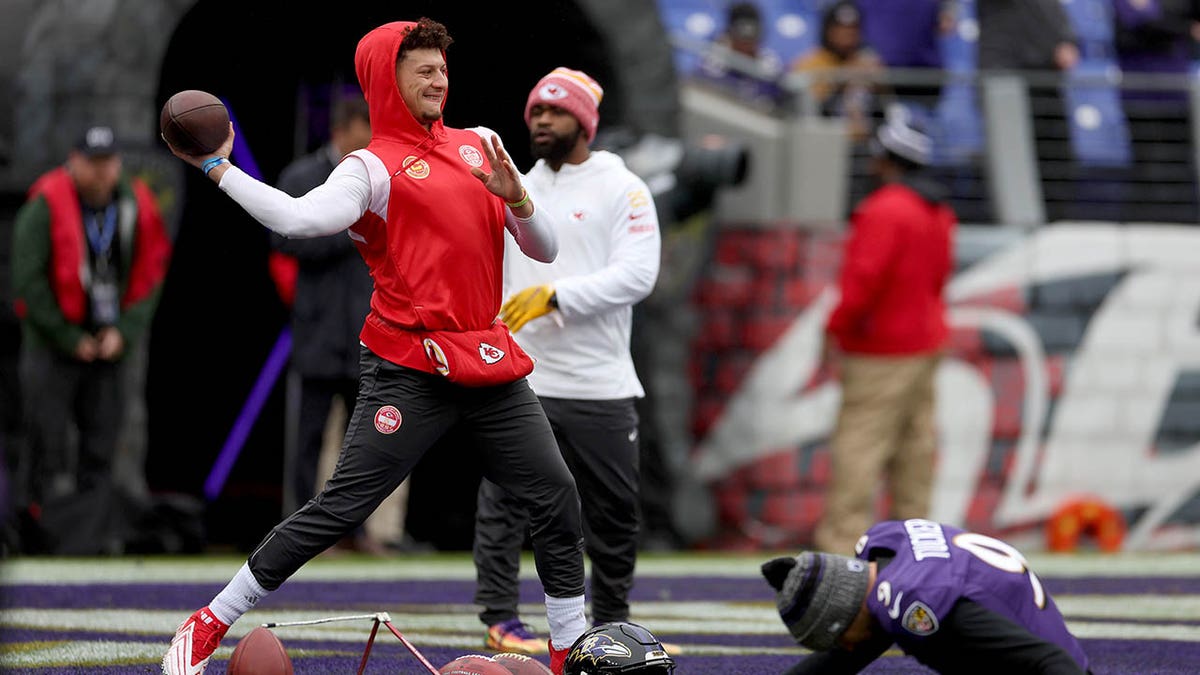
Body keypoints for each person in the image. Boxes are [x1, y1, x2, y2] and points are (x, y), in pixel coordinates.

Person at [160, 18, 588, 675]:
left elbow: (547, 250)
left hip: (487, 359)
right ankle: (211, 618)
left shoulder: (483, 144)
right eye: (422, 69)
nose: (437, 79)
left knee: (556, 494)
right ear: (387, 79)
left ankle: (570, 652)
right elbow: (296, 219)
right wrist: (218, 166)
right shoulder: (369, 167)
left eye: (442, 68)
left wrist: (520, 198)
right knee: (339, 508)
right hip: (410, 367)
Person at [472, 67, 661, 655]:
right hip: (523, 377)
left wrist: (557, 296)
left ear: (585, 120)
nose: (541, 121)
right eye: (535, 112)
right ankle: (501, 619)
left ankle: (613, 624)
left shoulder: (622, 186)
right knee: (502, 503)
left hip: (599, 383)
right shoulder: (519, 185)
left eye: (554, 112)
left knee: (613, 513)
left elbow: (639, 274)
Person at [814, 106, 955, 555]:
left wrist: (834, 330)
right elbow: (939, 277)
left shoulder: (883, 210)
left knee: (859, 447)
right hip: (926, 343)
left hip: (880, 351)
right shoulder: (937, 211)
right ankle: (916, 552)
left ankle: (841, 550)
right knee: (915, 451)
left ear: (885, 156)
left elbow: (862, 285)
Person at [10, 125, 171, 512]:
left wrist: (124, 331)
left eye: (108, 162)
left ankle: (91, 530)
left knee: (101, 440)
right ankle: (39, 524)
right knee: (45, 437)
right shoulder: (45, 204)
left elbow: (152, 273)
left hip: (108, 341)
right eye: (93, 162)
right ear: (74, 161)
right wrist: (68, 337)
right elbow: (27, 283)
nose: (102, 172)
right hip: (53, 342)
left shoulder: (136, 204)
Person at [269, 94, 394, 554]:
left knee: (360, 442)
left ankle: (356, 531)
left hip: (367, 331)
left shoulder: (380, 176)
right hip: (318, 330)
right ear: (341, 132)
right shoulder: (303, 177)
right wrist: (348, 228)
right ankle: (299, 531)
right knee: (308, 436)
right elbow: (283, 239)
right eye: (365, 132)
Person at [763, 518, 1092, 674]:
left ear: (843, 615)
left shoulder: (917, 601)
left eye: (837, 638)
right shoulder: (882, 562)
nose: (845, 647)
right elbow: (850, 650)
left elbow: (1051, 661)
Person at [791, 1, 885, 142]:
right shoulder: (810, 63)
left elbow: (886, 105)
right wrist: (841, 81)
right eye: (840, 29)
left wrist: (876, 80)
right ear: (828, 30)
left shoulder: (866, 61)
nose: (847, 35)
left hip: (864, 145)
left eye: (852, 29)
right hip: (823, 141)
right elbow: (809, 111)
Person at [692, 1, 786, 109]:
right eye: (742, 38)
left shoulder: (771, 64)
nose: (747, 45)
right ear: (729, 34)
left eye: (752, 38)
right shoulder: (712, 61)